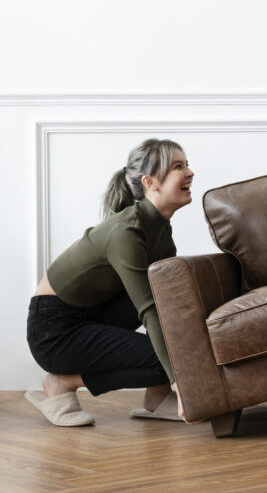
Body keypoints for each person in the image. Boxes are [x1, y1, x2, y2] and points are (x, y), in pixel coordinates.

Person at [25, 139, 194, 426]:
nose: (189, 172)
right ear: (150, 182)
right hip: (53, 332)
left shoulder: (161, 231)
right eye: (178, 166)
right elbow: (149, 310)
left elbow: (166, 303)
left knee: (166, 301)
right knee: (168, 359)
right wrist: (182, 382)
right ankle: (63, 383)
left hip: (91, 314)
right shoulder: (126, 231)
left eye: (187, 164)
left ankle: (157, 398)